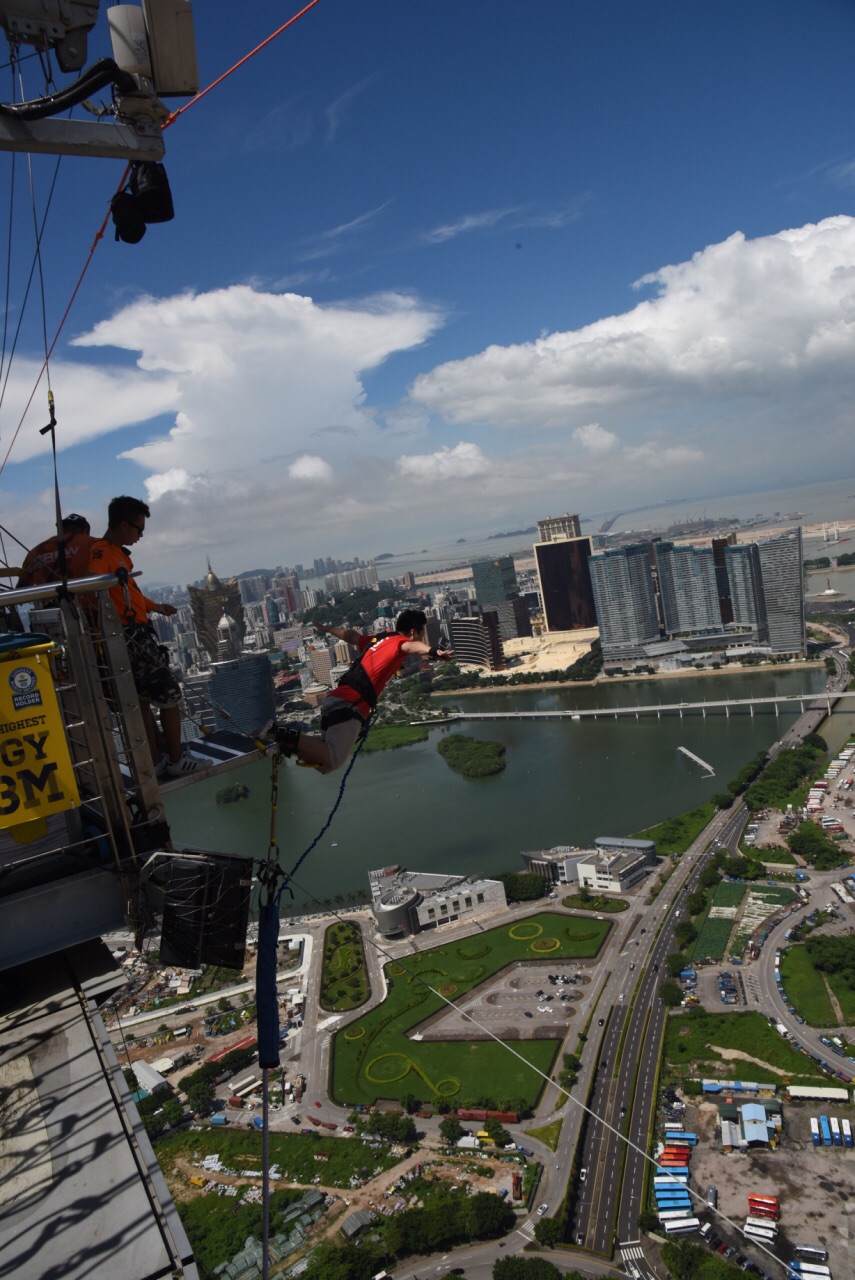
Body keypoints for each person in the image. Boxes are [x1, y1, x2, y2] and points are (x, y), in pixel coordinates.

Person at [88, 495, 200, 779]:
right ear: (123, 525)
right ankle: (176, 758)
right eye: (139, 529)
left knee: (142, 700)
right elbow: (92, 583)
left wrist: (155, 607)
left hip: (130, 632)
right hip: (131, 636)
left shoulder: (119, 554)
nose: (140, 535)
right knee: (170, 695)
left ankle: (155, 759)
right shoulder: (103, 552)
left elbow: (129, 594)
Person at [276, 608, 453, 774]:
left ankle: (287, 740)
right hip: (350, 704)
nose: (421, 639)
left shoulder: (380, 639)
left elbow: (351, 636)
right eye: (421, 634)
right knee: (333, 759)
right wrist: (434, 651)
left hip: (335, 700)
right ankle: (280, 733)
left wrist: (326, 628)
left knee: (324, 765)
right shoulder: (401, 642)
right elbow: (411, 647)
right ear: (413, 632)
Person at [18, 514, 97, 588]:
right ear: (85, 531)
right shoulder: (94, 544)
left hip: (48, 601)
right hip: (85, 600)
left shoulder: (34, 552)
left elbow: (21, 587)